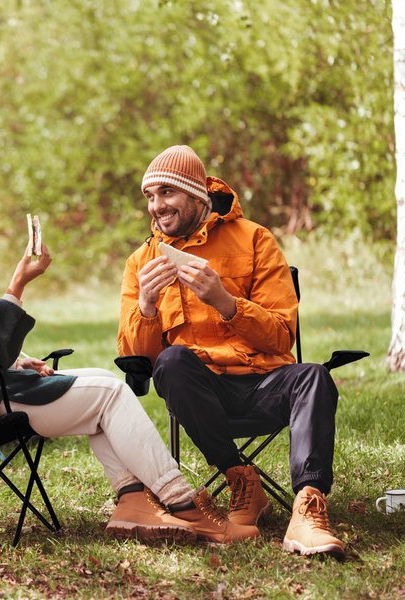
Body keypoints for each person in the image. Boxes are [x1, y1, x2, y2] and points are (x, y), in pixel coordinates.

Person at [0, 151, 260, 546]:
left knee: (103, 384)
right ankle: (185, 506)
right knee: (109, 394)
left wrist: (15, 362)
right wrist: (17, 286)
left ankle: (133, 501)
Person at [117, 145, 345, 557]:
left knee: (314, 376)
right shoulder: (142, 262)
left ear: (196, 193)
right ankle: (240, 478)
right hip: (202, 396)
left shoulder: (255, 239)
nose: (156, 206)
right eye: (149, 196)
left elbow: (281, 335)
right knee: (171, 361)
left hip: (264, 384)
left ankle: (308, 510)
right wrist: (146, 307)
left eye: (166, 192)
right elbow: (140, 365)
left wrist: (225, 302)